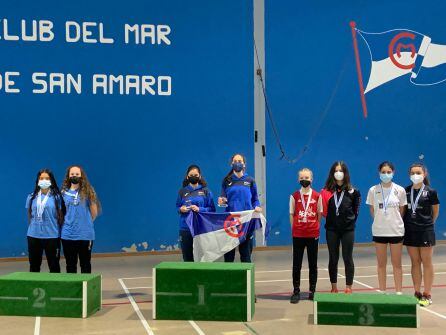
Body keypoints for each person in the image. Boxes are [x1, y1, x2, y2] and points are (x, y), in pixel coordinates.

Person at [366, 161, 407, 294]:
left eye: (389, 172)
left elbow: (402, 210)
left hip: (396, 231)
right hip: (379, 231)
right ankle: (382, 291)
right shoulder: (373, 190)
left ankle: (399, 292)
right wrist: (380, 221)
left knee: (397, 264)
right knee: (381, 264)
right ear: (379, 173)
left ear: (393, 173)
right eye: (383, 172)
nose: (386, 174)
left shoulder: (400, 190)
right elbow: (372, 210)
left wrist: (394, 221)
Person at [320, 161, 361, 293]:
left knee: (347, 257)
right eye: (336, 171)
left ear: (345, 173)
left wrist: (349, 222)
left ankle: (348, 287)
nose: (338, 173)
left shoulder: (353, 192)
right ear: (332, 173)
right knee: (333, 257)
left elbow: (356, 211)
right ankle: (334, 286)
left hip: (348, 230)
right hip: (331, 229)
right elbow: (324, 211)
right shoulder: (326, 192)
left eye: (341, 171)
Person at [403, 163, 440, 306]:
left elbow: (435, 212)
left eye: (418, 172)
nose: (415, 175)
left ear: (424, 174)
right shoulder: (405, 191)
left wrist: (428, 224)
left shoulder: (431, 192)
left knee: (427, 262)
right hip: (410, 231)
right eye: (412, 173)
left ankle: (427, 294)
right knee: (415, 262)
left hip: (426, 231)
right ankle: (417, 292)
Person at [218, 154, 262, 262]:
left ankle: (246, 278)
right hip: (230, 222)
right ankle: (229, 278)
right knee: (229, 256)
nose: (238, 163)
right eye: (235, 161)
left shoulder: (250, 180)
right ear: (231, 163)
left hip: (246, 221)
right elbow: (223, 199)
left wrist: (257, 206)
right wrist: (221, 201)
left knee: (246, 255)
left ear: (244, 164)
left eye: (240, 161)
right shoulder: (226, 181)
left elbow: (255, 199)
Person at [289, 168, 322, 303]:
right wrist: (295, 228)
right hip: (298, 234)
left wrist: (314, 226)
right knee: (296, 264)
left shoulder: (317, 196)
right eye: (302, 177)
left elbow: (319, 214)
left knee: (313, 264)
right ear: (298, 179)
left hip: (312, 234)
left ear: (311, 179)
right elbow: (292, 214)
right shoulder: (294, 196)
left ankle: (312, 291)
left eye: (307, 177)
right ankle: (296, 291)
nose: (305, 180)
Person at [61, 165, 100, 273]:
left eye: (77, 174)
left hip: (85, 235)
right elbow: (62, 213)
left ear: (81, 176)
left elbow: (94, 213)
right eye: (72, 174)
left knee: (85, 264)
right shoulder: (63, 193)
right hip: (67, 235)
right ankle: (72, 289)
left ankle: (86, 289)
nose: (75, 176)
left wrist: (84, 224)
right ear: (68, 177)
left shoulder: (88, 191)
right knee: (70, 265)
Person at [26, 168, 66, 272]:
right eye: (41, 178)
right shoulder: (31, 197)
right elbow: (30, 215)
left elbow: (61, 217)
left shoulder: (57, 197)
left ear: (51, 180)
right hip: (33, 235)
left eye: (47, 178)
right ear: (38, 180)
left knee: (54, 266)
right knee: (34, 266)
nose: (44, 180)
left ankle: (55, 287)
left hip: (52, 236)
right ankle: (34, 288)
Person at [176, 164, 215, 261]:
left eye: (196, 175)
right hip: (185, 228)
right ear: (187, 176)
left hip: (201, 228)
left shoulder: (206, 191)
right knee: (187, 257)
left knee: (202, 257)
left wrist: (200, 209)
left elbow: (212, 209)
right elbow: (177, 207)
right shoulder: (182, 191)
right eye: (191, 175)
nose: (193, 177)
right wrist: (181, 209)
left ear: (200, 176)